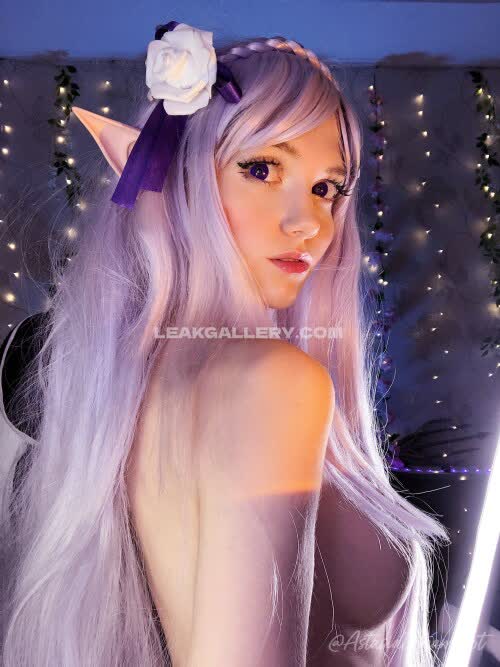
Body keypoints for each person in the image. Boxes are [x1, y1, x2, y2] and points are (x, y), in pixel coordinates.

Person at [0, 20, 450, 666]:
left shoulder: (140, 389)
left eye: (327, 188)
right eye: (261, 168)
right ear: (181, 179)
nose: (308, 222)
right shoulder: (271, 384)